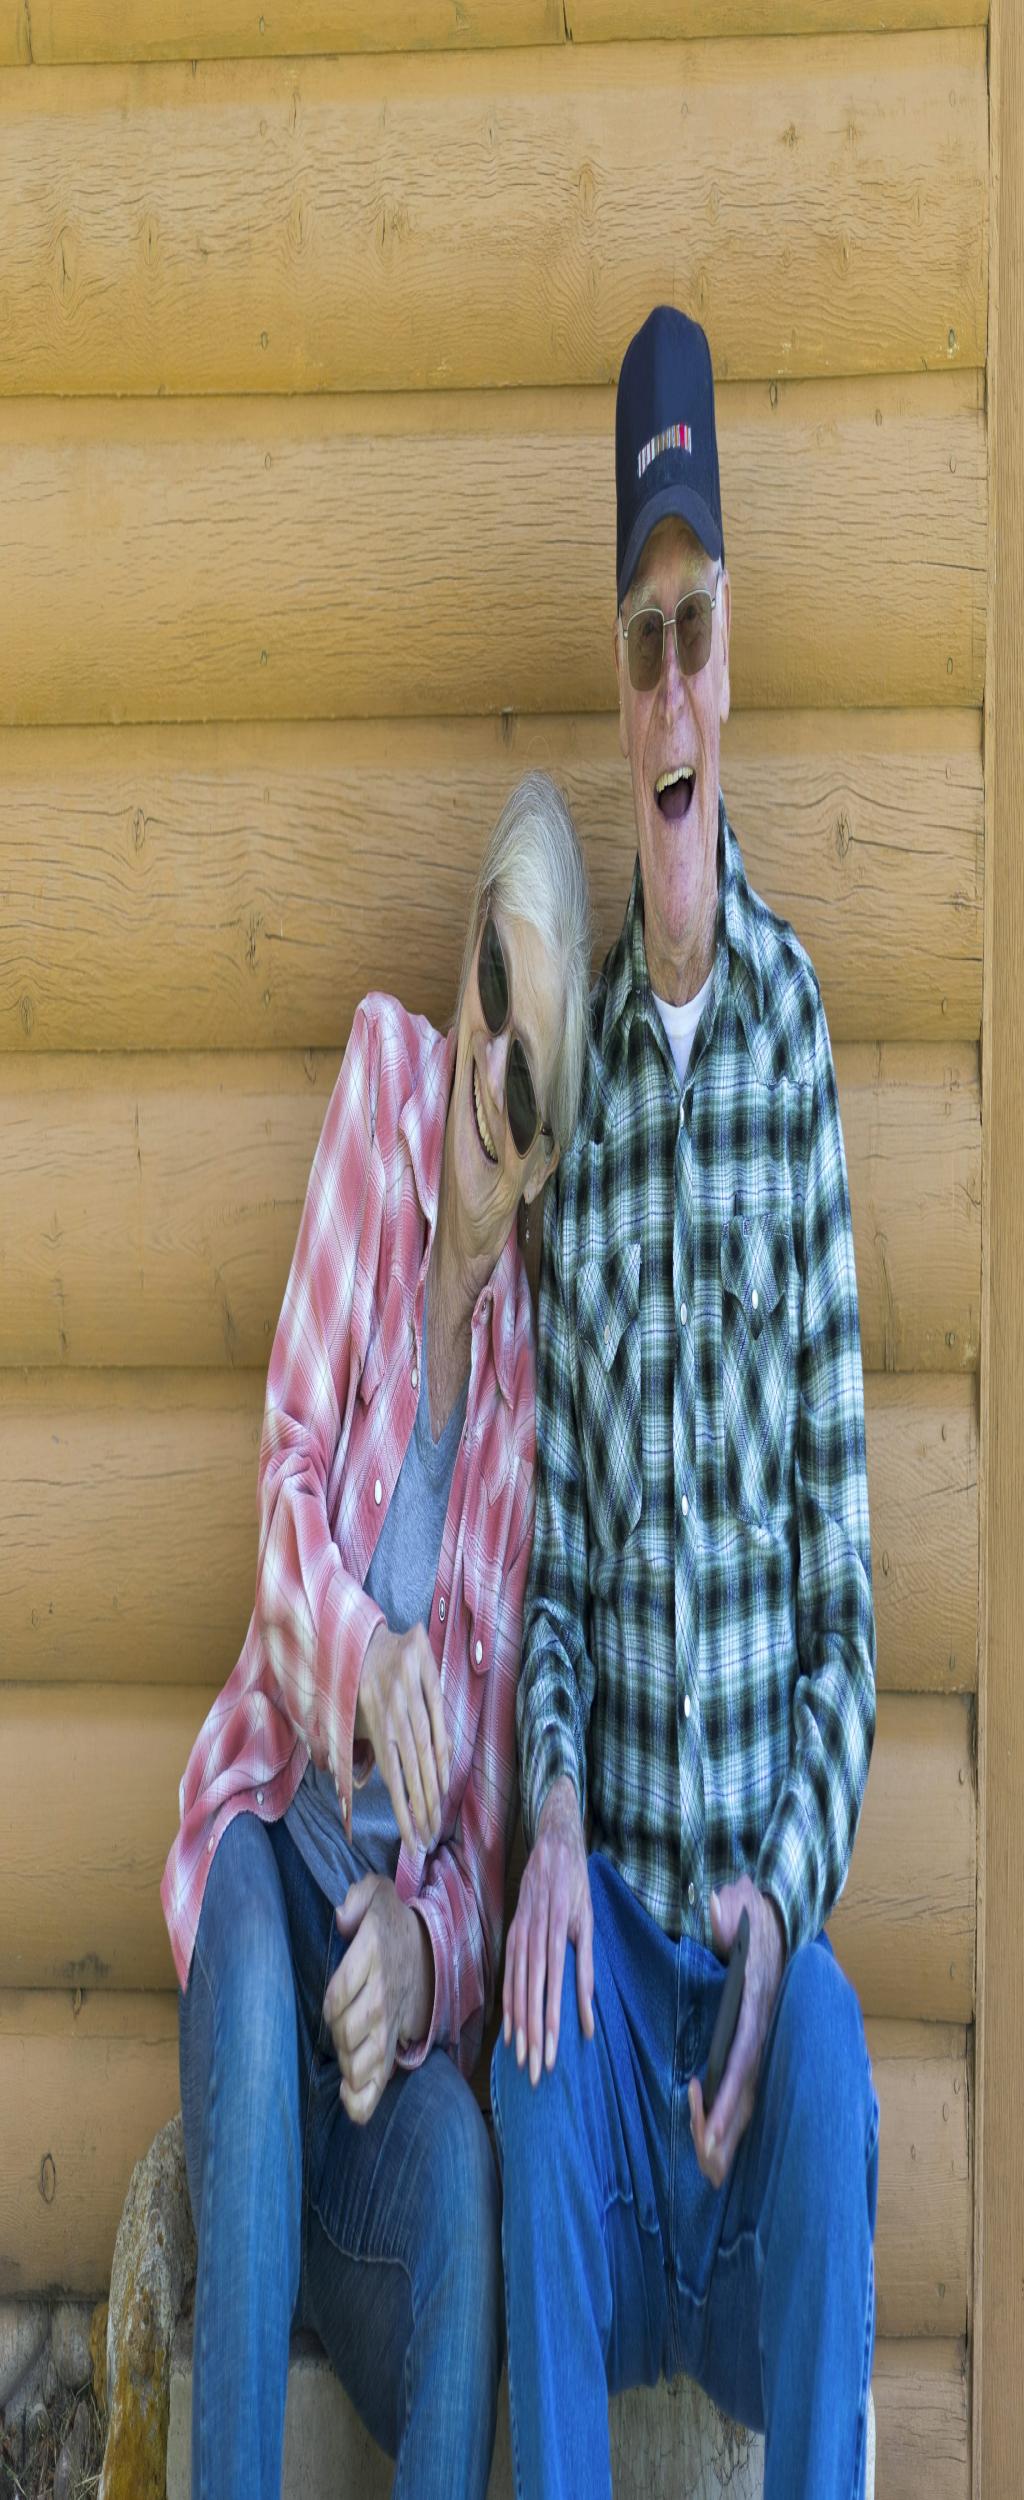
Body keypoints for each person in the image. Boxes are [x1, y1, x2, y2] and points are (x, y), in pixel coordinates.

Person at [492, 308, 878, 2500]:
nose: (665, 689)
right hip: (613, 1934)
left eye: (693, 633)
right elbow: (547, 1576)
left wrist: (785, 1897)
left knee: (833, 2075)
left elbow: (844, 1589)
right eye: (637, 642)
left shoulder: (798, 1042)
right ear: (616, 676)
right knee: (530, 2058)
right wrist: (549, 1807)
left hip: (745, 1932)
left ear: (733, 671)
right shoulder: (573, 1097)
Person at [161, 769, 591, 2500]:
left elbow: (477, 1844)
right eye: (493, 985)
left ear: (548, 1152)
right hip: (269, 1843)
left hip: (368, 1989)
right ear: (464, 958)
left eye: (530, 1078)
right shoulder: (384, 1085)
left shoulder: (529, 1390)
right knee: (261, 2012)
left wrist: (418, 1959)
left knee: (465, 2179)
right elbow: (283, 1501)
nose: (489, 1073)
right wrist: (374, 1659)